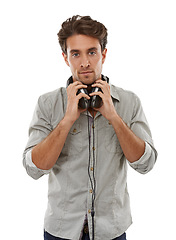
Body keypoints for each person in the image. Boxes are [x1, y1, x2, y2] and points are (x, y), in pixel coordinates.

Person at [23, 15, 157, 240]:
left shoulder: (129, 101)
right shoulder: (47, 104)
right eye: (76, 53)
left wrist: (113, 116)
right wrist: (67, 120)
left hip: (111, 231)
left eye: (92, 52)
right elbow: (34, 169)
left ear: (103, 54)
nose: (84, 62)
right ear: (66, 58)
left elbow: (145, 164)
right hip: (61, 231)